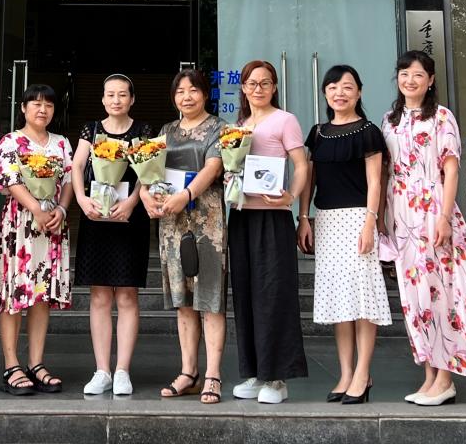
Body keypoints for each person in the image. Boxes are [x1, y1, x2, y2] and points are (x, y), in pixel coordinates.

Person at [380, 50, 466, 406]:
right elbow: (386, 171)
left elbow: (451, 169)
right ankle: (430, 375)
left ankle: (446, 378)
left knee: (442, 293)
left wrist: (445, 217)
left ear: (430, 81)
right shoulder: (389, 120)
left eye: (418, 74)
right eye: (404, 73)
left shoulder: (442, 117)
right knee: (415, 297)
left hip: (433, 212)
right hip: (401, 216)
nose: (410, 80)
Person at [297, 64, 391, 405]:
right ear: (325, 93)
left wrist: (371, 222)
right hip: (326, 221)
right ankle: (346, 373)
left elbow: (375, 181)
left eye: (348, 86)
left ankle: (363, 374)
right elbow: (309, 179)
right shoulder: (318, 133)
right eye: (333, 87)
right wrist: (303, 218)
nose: (340, 92)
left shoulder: (368, 131)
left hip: (357, 220)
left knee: (363, 298)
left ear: (359, 92)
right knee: (340, 301)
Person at [140, 69, 227, 406]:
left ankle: (213, 374)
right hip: (172, 221)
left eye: (193, 90)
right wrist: (145, 194)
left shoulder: (219, 128)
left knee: (210, 297)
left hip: (207, 220)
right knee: (183, 299)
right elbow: (149, 170)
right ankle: (189, 372)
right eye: (180, 91)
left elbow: (213, 167)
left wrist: (187, 194)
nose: (186, 96)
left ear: (205, 94)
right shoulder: (167, 131)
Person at [226, 59, 309, 405]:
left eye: (264, 83)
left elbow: (301, 165)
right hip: (241, 217)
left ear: (274, 87)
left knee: (274, 295)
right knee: (245, 295)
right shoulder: (238, 126)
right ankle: (254, 372)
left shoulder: (285, 120)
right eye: (251, 83)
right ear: (243, 88)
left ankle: (277, 377)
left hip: (273, 219)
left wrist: (291, 197)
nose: (257, 89)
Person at [71, 74, 152, 396]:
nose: (116, 100)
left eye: (122, 94)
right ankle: (102, 370)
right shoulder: (91, 130)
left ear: (132, 99)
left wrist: (132, 203)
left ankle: (122, 371)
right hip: (96, 216)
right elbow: (77, 166)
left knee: (128, 295)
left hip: (129, 217)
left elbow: (148, 172)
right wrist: (81, 199)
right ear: (103, 99)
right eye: (110, 94)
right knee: (100, 295)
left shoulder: (142, 130)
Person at [0, 84, 75, 395]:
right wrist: (36, 209)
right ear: (23, 108)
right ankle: (11, 365)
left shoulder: (61, 143)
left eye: (49, 105)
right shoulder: (10, 141)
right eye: (36, 104)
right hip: (20, 225)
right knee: (14, 294)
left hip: (52, 224)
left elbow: (69, 180)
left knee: (41, 295)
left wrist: (62, 210)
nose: (42, 110)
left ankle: (36, 363)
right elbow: (11, 180)